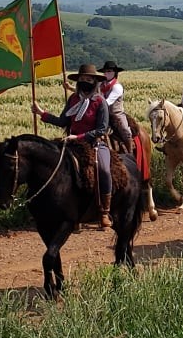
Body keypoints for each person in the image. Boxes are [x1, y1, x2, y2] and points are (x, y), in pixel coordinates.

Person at [35, 65, 114, 228]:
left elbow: (102, 129)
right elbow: (62, 121)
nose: (85, 82)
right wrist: (41, 113)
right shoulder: (73, 99)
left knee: (104, 170)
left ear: (94, 82)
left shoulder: (100, 102)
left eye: (89, 79)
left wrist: (79, 137)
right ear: (78, 81)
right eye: (82, 79)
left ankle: (104, 211)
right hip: (72, 143)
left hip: (94, 143)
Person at [98, 61, 135, 146]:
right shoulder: (100, 84)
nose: (106, 73)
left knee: (125, 130)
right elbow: (90, 92)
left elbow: (108, 102)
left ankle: (130, 147)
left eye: (109, 71)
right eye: (105, 71)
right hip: (102, 113)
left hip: (115, 114)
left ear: (115, 72)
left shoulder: (117, 87)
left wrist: (95, 105)